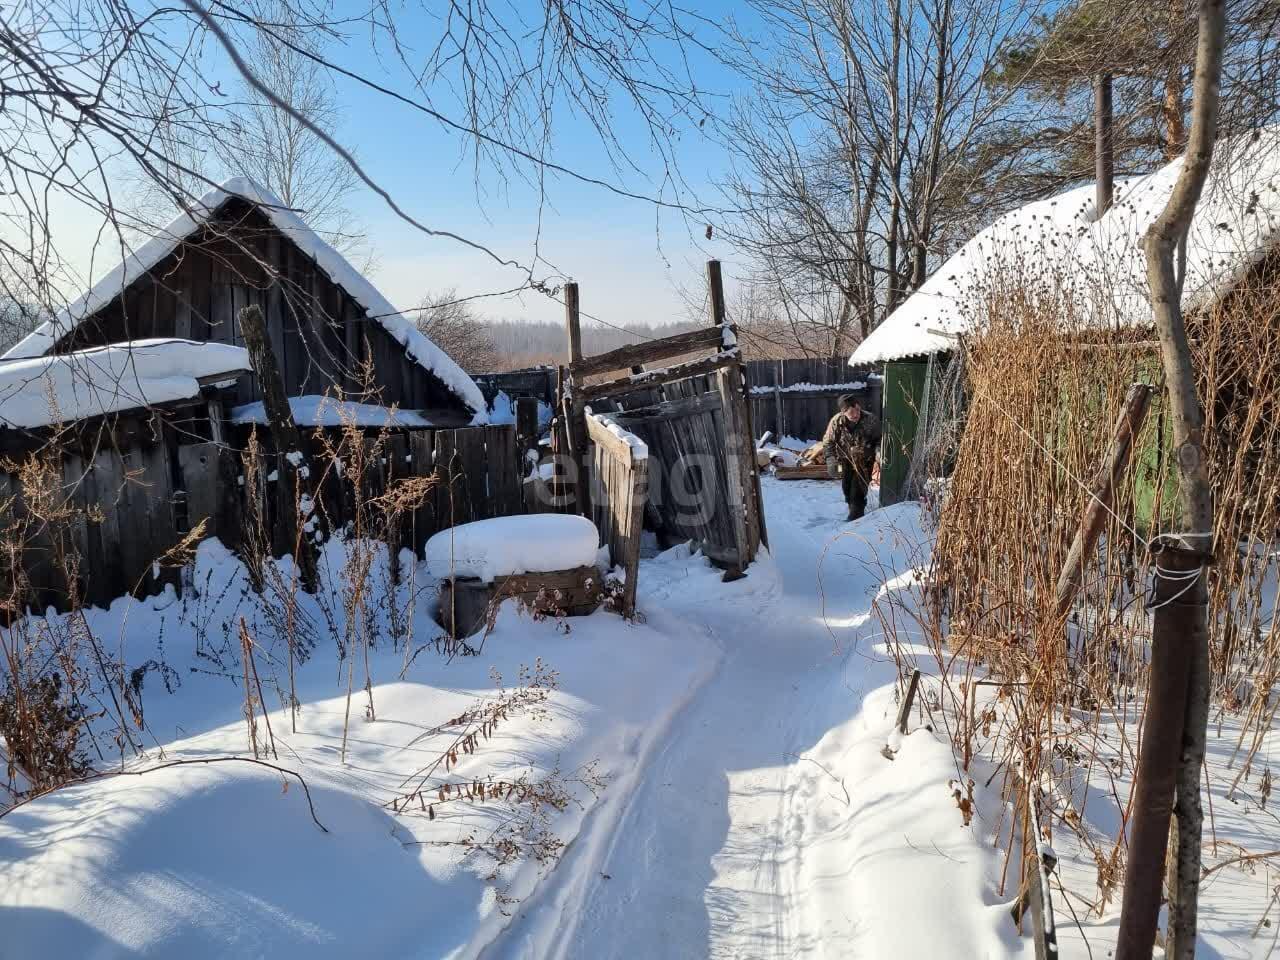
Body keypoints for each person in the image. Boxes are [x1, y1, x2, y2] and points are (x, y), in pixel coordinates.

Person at [822, 394, 881, 521]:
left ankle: (856, 517)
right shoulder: (836, 422)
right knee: (847, 488)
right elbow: (828, 442)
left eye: (858, 411)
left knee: (857, 490)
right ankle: (853, 512)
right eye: (851, 413)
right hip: (846, 460)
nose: (856, 415)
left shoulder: (870, 420)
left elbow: (879, 439)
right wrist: (831, 459)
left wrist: (878, 452)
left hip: (865, 461)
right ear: (843, 413)